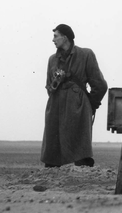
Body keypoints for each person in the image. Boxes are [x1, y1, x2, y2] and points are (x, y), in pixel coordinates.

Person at [41, 24, 108, 168]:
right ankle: (51, 178)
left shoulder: (86, 55)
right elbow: (48, 86)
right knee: (53, 147)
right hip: (55, 107)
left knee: (80, 150)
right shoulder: (52, 60)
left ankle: (82, 179)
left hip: (77, 106)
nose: (53, 40)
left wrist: (90, 104)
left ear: (65, 38)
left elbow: (100, 85)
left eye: (55, 36)